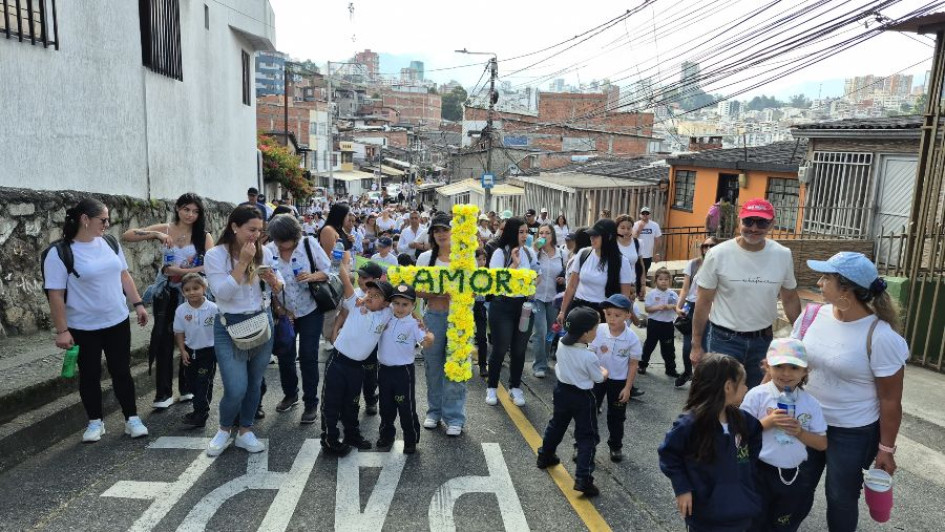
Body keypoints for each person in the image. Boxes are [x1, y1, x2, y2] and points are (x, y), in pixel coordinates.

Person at [795, 252, 908, 532]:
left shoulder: (880, 336)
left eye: (826, 278)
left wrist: (886, 450)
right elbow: (790, 360)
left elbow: (891, 399)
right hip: (808, 421)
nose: (819, 283)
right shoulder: (812, 315)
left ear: (845, 288)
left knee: (840, 497)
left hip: (853, 432)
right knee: (797, 487)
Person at [44, 198, 150, 443]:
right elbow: (56, 295)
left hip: (117, 321)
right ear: (85, 219)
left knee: (122, 371)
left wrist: (138, 304)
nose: (107, 224)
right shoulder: (59, 253)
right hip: (83, 327)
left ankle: (132, 419)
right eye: (103, 220)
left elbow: (124, 275)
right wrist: (62, 331)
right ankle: (95, 422)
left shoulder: (110, 243)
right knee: (90, 374)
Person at [690, 198, 801, 388]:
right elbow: (703, 301)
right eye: (748, 221)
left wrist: (801, 337)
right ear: (739, 222)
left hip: (763, 341)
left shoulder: (782, 255)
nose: (754, 228)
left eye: (762, 222)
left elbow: (789, 297)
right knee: (721, 397)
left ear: (772, 224)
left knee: (755, 397)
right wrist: (696, 344)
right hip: (724, 340)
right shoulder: (718, 254)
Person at [204, 205, 284, 457]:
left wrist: (275, 282)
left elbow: (277, 287)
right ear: (234, 227)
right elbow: (222, 293)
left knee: (254, 382)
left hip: (261, 320)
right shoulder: (216, 255)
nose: (256, 235)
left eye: (260, 230)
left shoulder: (266, 252)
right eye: (251, 229)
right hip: (229, 324)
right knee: (235, 386)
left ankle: (245, 430)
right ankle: (224, 428)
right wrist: (244, 263)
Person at [122, 192, 214, 409]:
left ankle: (187, 387)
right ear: (178, 209)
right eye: (186, 209)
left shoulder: (204, 236)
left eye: (195, 211)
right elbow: (127, 235)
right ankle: (163, 393)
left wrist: (183, 270)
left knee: (191, 337)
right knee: (163, 337)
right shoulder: (166, 228)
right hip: (167, 291)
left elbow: (211, 265)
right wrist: (156, 235)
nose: (190, 215)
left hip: (193, 293)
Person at [658, 353, 763, 531]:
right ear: (729, 387)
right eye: (743, 383)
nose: (746, 388)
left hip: (740, 511)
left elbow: (755, 436)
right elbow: (669, 454)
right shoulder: (690, 424)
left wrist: (745, 470)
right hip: (706, 515)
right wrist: (682, 488)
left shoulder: (742, 420)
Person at [740, 338, 827, 532]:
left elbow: (822, 444)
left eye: (794, 368)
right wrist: (766, 423)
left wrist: (800, 432)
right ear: (767, 366)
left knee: (782, 524)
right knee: (753, 523)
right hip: (758, 472)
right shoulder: (757, 395)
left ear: (805, 371)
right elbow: (740, 434)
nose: (786, 374)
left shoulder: (810, 403)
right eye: (779, 366)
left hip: (792, 474)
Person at [265, 214, 331, 425]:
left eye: (287, 241)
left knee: (308, 356)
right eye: (279, 241)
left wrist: (311, 276)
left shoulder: (308, 244)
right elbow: (267, 285)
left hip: (310, 309)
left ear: (295, 235)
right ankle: (290, 394)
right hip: (285, 312)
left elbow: (328, 271)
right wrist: (279, 308)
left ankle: (311, 403)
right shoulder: (269, 251)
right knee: (285, 354)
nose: (283, 246)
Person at [535, 306, 607, 497]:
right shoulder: (589, 356)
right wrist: (604, 371)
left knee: (557, 424)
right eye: (595, 328)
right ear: (585, 333)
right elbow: (598, 378)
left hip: (562, 391)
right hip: (583, 397)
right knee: (587, 437)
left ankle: (545, 455)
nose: (597, 331)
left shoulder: (561, 343)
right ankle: (584, 478)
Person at [321, 266, 393, 456]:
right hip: (337, 363)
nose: (369, 295)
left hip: (357, 368)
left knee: (352, 403)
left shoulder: (386, 313)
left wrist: (419, 321)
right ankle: (329, 439)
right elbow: (345, 280)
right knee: (332, 402)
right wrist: (342, 260)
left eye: (377, 295)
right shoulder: (355, 304)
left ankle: (352, 434)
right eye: (369, 291)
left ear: (386, 303)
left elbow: (405, 301)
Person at [417, 213, 467, 436]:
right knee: (433, 367)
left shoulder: (464, 258)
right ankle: (434, 411)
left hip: (459, 318)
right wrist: (438, 292)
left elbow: (474, 289)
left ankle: (455, 416)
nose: (441, 234)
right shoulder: (425, 258)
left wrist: (457, 293)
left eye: (444, 229)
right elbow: (416, 290)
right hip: (433, 317)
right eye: (436, 230)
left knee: (455, 368)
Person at [486, 216, 539, 408]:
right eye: (521, 232)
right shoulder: (500, 252)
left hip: (524, 306)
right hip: (502, 305)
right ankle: (492, 386)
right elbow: (496, 282)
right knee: (500, 348)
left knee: (519, 349)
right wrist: (514, 264)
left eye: (527, 232)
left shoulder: (529, 252)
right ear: (512, 232)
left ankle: (515, 386)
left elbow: (535, 275)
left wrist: (534, 281)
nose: (525, 236)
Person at [375, 284, 434, 455]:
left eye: (405, 304)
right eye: (396, 303)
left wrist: (429, 336)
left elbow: (426, 342)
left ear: (413, 306)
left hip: (403, 373)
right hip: (384, 370)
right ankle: (386, 436)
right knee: (385, 407)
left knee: (405, 407)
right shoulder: (386, 317)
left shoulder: (414, 324)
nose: (400, 308)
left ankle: (410, 438)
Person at [589, 294, 642, 462]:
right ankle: (583, 445)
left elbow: (633, 364)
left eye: (617, 315)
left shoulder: (632, 338)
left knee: (617, 416)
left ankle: (615, 446)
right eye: (608, 314)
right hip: (597, 379)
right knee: (588, 412)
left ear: (628, 316)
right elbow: (590, 353)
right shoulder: (599, 330)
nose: (612, 319)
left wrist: (628, 387)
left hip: (618, 381)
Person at [557, 218, 637, 325]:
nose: (592, 239)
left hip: (603, 313)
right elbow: (571, 286)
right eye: (591, 235)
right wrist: (563, 311)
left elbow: (623, 297)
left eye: (596, 236)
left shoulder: (622, 262)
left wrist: (618, 321)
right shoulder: (583, 254)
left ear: (608, 237)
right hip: (578, 308)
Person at [332, 260, 386, 416]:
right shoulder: (353, 292)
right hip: (350, 345)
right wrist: (335, 330)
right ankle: (348, 404)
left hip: (369, 347)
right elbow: (343, 313)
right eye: (360, 276)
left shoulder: (382, 297)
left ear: (376, 280)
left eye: (365, 277)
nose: (361, 280)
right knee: (349, 377)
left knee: (370, 377)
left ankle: (370, 400)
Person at [173, 273, 218, 428]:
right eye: (187, 289)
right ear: (183, 292)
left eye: (195, 288)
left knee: (203, 382)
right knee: (192, 384)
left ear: (204, 288)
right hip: (190, 352)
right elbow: (179, 332)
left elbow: (221, 330)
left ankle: (201, 414)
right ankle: (200, 408)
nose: (191, 292)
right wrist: (182, 350)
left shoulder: (213, 308)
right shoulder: (181, 310)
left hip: (209, 352)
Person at [674, 236, 718, 388]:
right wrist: (678, 307)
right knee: (688, 345)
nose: (708, 249)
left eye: (711, 246)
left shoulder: (721, 265)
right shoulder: (694, 264)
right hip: (692, 306)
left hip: (712, 308)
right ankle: (688, 371)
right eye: (705, 246)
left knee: (706, 346)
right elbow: (685, 288)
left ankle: (702, 379)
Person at [531, 223, 567, 379]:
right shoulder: (535, 253)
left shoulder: (561, 253)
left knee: (551, 332)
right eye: (541, 233)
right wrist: (534, 250)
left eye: (547, 233)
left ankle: (544, 360)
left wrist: (563, 278)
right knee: (540, 331)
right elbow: (528, 269)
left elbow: (569, 273)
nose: (544, 236)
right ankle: (539, 365)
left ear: (552, 235)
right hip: (537, 297)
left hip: (554, 299)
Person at [640, 267, 680, 378]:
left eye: (666, 279)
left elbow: (676, 307)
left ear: (670, 281)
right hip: (654, 323)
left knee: (669, 347)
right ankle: (642, 365)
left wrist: (675, 308)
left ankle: (670, 369)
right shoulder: (652, 294)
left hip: (667, 324)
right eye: (661, 279)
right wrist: (659, 307)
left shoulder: (673, 294)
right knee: (649, 345)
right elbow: (647, 309)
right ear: (656, 281)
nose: (663, 281)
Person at [632, 206, 662, 298]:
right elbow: (633, 238)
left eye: (647, 213)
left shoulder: (654, 225)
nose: (645, 215)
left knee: (644, 273)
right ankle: (639, 293)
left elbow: (657, 240)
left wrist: (656, 253)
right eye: (643, 213)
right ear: (640, 215)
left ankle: (640, 292)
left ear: (649, 215)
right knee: (638, 273)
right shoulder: (636, 224)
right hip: (637, 255)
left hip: (648, 255)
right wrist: (639, 229)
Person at [615, 214, 645, 301]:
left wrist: (642, 285)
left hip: (631, 284)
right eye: (622, 228)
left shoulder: (637, 243)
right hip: (615, 283)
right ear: (616, 228)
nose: (626, 231)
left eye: (629, 228)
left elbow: (641, 264)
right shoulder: (612, 243)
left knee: (628, 309)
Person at [473, 248, 489, 378]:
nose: (482, 262)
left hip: (481, 306)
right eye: (479, 259)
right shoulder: (469, 273)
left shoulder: (487, 273)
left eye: (484, 259)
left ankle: (483, 365)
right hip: (468, 306)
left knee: (482, 337)